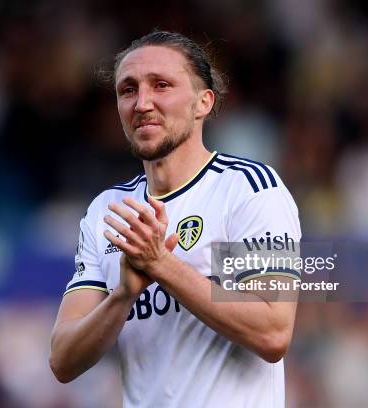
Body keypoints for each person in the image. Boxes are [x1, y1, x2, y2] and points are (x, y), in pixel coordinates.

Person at [49, 31, 301, 408]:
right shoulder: (109, 209)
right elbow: (63, 360)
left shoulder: (247, 189)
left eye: (161, 85)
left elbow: (273, 332)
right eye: (128, 90)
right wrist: (123, 295)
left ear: (203, 102)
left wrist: (161, 264)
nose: (142, 103)